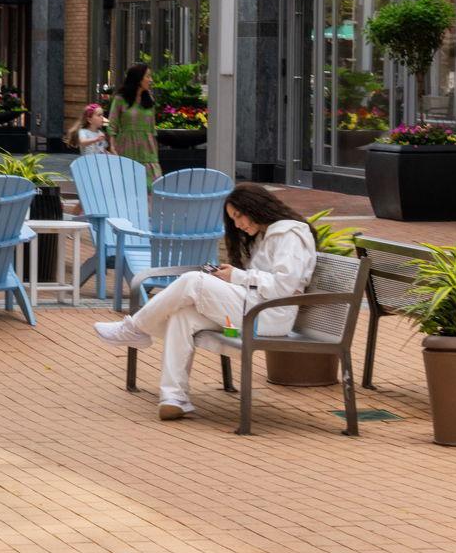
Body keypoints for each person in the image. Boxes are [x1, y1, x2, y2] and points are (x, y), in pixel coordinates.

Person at [91, 183, 320, 420]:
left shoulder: (289, 234)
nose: (238, 224)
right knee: (184, 316)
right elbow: (265, 283)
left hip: (269, 319)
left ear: (256, 207)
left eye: (239, 216)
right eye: (233, 219)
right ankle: (174, 397)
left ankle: (134, 327)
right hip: (251, 314)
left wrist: (238, 276)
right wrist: (231, 279)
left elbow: (284, 286)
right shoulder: (267, 235)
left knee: (193, 281)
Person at [108, 63, 161, 183]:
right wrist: (112, 147)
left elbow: (152, 129)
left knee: (151, 186)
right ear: (138, 78)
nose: (150, 80)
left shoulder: (149, 100)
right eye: (148, 76)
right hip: (126, 147)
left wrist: (155, 152)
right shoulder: (120, 99)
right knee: (127, 184)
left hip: (147, 149)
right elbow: (112, 125)